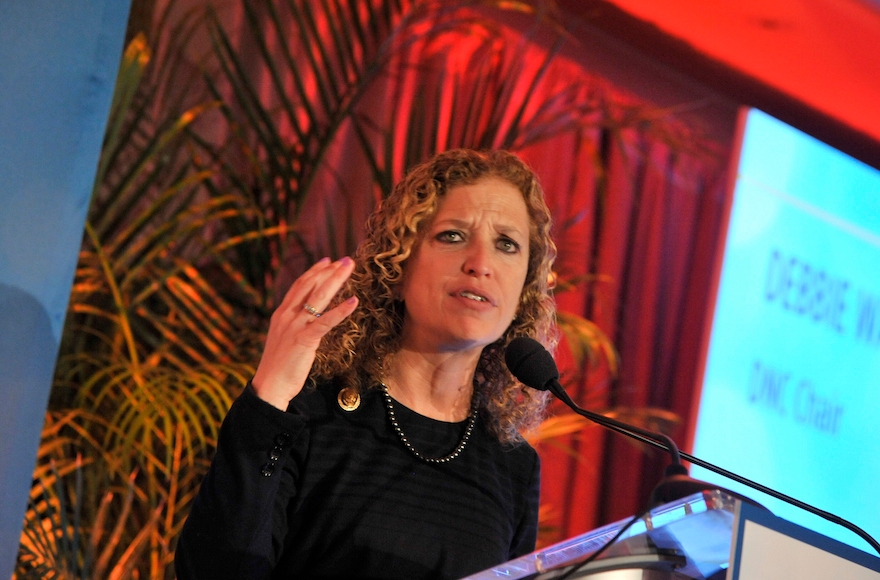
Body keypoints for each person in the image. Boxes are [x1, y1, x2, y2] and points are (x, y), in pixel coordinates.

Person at [175, 149, 558, 579]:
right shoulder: (310, 413)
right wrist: (270, 396)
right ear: (398, 265)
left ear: (524, 287)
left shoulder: (512, 466)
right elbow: (215, 571)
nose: (481, 264)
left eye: (507, 244)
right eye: (452, 236)